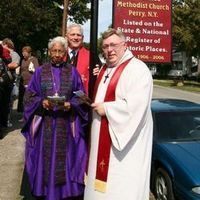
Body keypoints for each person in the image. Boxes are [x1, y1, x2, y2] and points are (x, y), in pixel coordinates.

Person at [84, 28, 153, 200]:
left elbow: (136, 106)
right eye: (105, 46)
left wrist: (107, 109)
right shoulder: (105, 68)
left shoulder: (137, 69)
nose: (109, 50)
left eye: (113, 45)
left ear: (125, 45)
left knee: (121, 187)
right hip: (101, 136)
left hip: (124, 146)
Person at [20, 36, 88, 200]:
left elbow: (82, 97)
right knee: (45, 159)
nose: (57, 54)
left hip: (66, 123)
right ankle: (45, 191)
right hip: (46, 124)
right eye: (54, 51)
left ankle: (65, 193)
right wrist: (41, 102)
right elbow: (28, 97)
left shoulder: (73, 72)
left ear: (65, 52)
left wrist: (71, 104)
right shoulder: (39, 72)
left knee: (67, 159)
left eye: (60, 51)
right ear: (49, 52)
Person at [65, 23, 100, 94]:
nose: (76, 38)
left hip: (82, 100)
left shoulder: (91, 56)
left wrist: (99, 73)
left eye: (78, 35)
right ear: (66, 37)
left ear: (82, 38)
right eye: (72, 34)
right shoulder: (59, 54)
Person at [2, 38, 20, 127]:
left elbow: (15, 64)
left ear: (6, 44)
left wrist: (4, 65)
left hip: (9, 82)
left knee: (8, 102)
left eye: (3, 44)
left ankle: (6, 120)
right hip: (5, 81)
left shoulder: (14, 54)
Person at [17, 46, 39, 114]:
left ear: (29, 53)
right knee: (23, 99)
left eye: (25, 52)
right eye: (22, 52)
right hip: (22, 81)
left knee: (28, 99)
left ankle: (30, 114)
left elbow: (37, 70)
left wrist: (33, 69)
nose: (23, 54)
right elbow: (21, 69)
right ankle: (24, 114)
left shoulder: (34, 59)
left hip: (30, 82)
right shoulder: (23, 60)